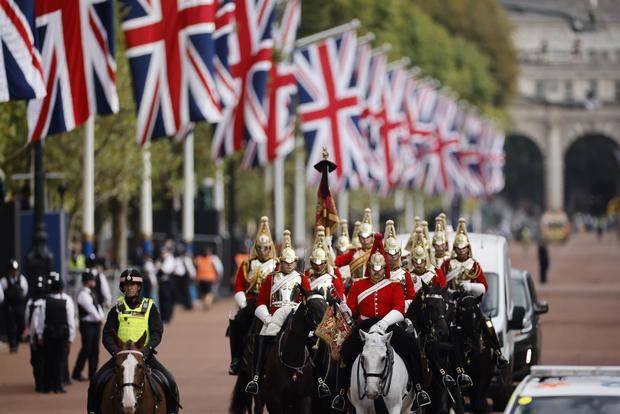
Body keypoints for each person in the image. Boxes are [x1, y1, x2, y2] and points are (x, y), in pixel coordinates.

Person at [332, 233, 431, 411]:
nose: (376, 272)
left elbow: (399, 309)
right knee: (345, 351)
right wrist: (345, 309)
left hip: (388, 325)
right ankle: (340, 393)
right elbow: (353, 311)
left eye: (380, 268)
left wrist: (384, 324)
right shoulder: (358, 285)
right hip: (365, 325)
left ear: (384, 268)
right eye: (373, 268)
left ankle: (419, 389)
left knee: (412, 346)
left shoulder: (393, 285)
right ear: (368, 268)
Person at [87, 269, 179, 414]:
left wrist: (147, 349)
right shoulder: (117, 309)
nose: (130, 287)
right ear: (122, 288)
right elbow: (107, 335)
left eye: (133, 284)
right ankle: (93, 411)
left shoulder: (149, 307)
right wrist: (116, 352)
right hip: (121, 357)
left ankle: (172, 411)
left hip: (144, 355)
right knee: (96, 381)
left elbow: (157, 332)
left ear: (139, 287)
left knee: (170, 381)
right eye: (126, 285)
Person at [245, 230, 311, 394]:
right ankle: (257, 377)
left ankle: (317, 378)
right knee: (261, 336)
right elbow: (261, 302)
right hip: (275, 316)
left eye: (291, 262)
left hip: (296, 315)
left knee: (312, 339)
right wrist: (266, 317)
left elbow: (307, 299)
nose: (288, 265)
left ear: (296, 262)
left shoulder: (302, 278)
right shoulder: (271, 278)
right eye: (285, 262)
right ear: (280, 262)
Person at [441, 218, 509, 369]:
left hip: (470, 302)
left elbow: (484, 287)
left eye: (463, 248)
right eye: (458, 248)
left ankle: (498, 353)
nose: (461, 251)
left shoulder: (474, 265)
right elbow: (441, 283)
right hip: (452, 303)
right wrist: (450, 292)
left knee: (486, 322)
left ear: (468, 248)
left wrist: (470, 288)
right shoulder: (447, 264)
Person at [228, 216, 278, 375]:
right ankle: (236, 359)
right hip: (251, 300)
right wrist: (242, 303)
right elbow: (239, 285)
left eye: (266, 248)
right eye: (260, 247)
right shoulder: (247, 264)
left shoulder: (277, 264)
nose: (263, 251)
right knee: (237, 322)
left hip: (271, 301)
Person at [32, 272, 75, 393]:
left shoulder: (44, 302)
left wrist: (40, 335)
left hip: (49, 334)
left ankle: (47, 386)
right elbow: (71, 322)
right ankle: (59, 385)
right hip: (62, 335)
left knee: (48, 359)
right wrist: (71, 338)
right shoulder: (67, 301)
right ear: (61, 288)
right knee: (60, 360)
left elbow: (41, 320)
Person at [72, 269, 105, 381]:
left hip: (95, 324)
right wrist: (99, 318)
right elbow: (90, 309)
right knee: (86, 348)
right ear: (87, 281)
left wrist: (101, 317)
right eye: (92, 280)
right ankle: (77, 372)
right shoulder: (83, 295)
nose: (94, 282)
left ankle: (93, 373)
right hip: (87, 324)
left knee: (95, 349)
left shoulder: (92, 293)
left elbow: (98, 307)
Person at [335, 208, 375, 291]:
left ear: (372, 237)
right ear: (359, 238)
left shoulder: (376, 253)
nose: (365, 240)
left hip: (372, 288)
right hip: (355, 289)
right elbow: (336, 262)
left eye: (367, 237)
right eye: (362, 237)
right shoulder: (353, 253)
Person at [305, 227, 346, 301]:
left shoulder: (333, 275)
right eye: (315, 263)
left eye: (321, 263)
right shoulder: (307, 275)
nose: (318, 266)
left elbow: (340, 295)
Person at [383, 220, 416, 309]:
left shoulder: (405, 275)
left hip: (401, 311)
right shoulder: (378, 274)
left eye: (396, 254)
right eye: (390, 254)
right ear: (384, 254)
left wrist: (402, 306)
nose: (393, 257)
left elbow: (411, 296)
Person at [25, 275, 47, 392]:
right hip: (46, 337)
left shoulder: (30, 303)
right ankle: (45, 383)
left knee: (36, 361)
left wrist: (32, 339)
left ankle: (39, 384)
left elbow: (29, 321)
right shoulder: (46, 302)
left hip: (35, 337)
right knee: (45, 360)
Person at [2, 259, 29, 353]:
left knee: (21, 326)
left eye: (16, 269)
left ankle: (16, 341)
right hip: (10, 308)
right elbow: (2, 295)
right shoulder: (4, 281)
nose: (15, 271)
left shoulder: (22, 279)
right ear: (9, 270)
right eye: (13, 269)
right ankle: (12, 345)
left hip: (20, 307)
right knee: (11, 327)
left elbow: (25, 292)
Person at [156, 245, 176, 323]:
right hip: (161, 282)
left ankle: (167, 317)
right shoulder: (160, 259)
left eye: (163, 252)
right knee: (161, 299)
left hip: (168, 282)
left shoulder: (170, 259)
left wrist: (160, 266)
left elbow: (167, 270)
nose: (162, 254)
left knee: (167, 299)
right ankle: (163, 316)